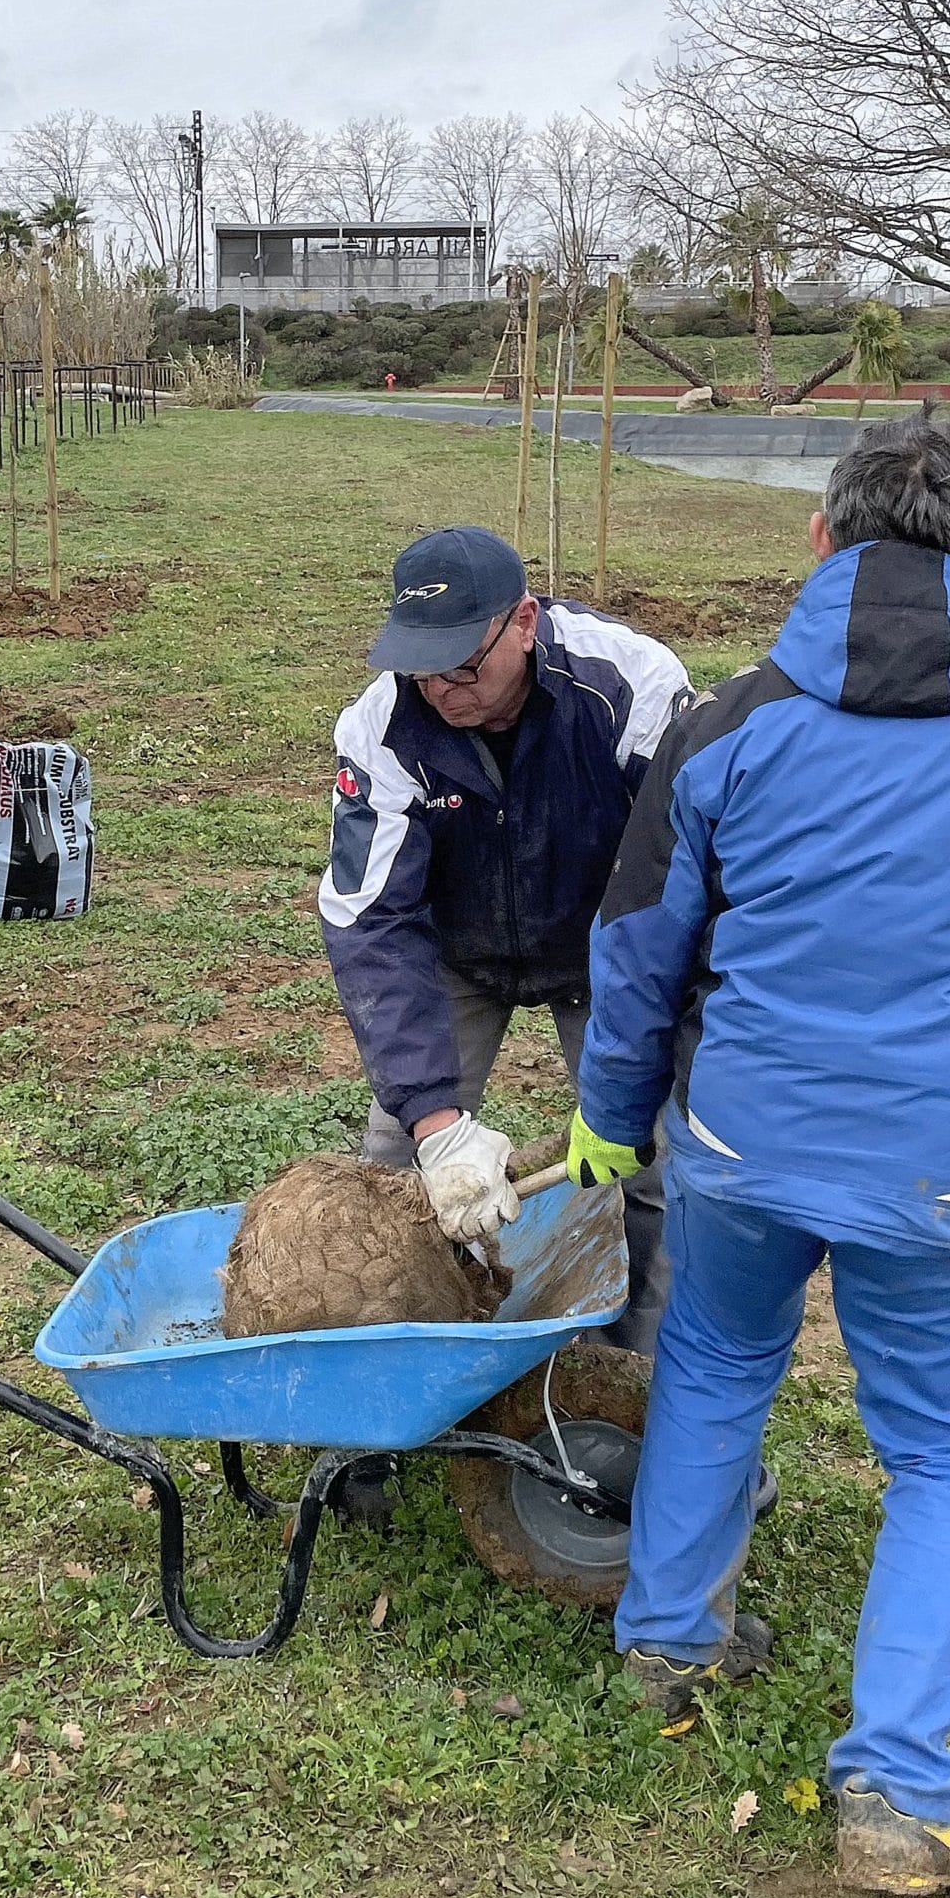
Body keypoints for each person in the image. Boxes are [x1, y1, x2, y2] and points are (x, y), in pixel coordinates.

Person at [571, 418, 950, 1896]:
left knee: (715, 1366)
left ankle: (666, 1649)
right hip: (943, 1168)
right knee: (947, 1453)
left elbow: (640, 949)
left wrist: (613, 1110)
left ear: (820, 538)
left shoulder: (727, 726)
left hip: (740, 1141)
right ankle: (896, 1789)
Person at [319, 524, 690, 1341]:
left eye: (461, 665)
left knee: (651, 1162)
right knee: (396, 1163)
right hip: (456, 950)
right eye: (419, 667)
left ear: (522, 622)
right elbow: (371, 920)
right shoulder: (382, 729)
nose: (439, 691)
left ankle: (636, 1362)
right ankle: (398, 1354)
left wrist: (634, 1062)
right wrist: (435, 1123)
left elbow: (679, 879)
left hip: (604, 947)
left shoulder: (631, 686)